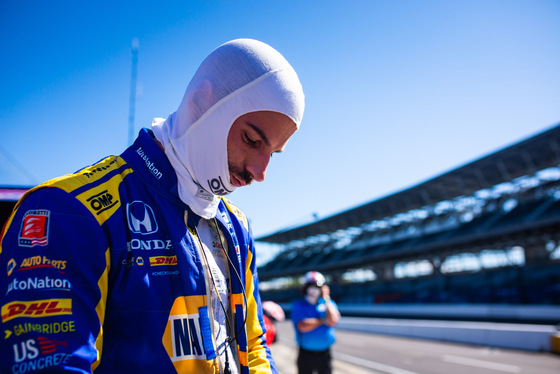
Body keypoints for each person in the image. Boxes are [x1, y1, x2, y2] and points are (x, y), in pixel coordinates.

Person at [0, 38, 304, 373]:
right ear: (203, 104)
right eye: (252, 139)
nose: (260, 172)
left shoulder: (236, 225)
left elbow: (253, 345)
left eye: (272, 153)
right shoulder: (67, 211)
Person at [291, 271, 341, 374]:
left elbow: (333, 320)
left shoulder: (328, 303)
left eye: (317, 287)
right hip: (305, 353)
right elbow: (303, 326)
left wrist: (326, 298)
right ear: (305, 288)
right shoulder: (298, 304)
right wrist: (323, 320)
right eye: (311, 286)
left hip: (325, 353)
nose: (314, 290)